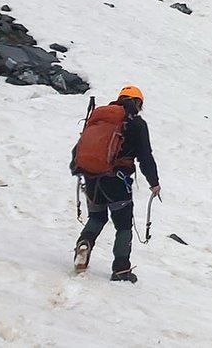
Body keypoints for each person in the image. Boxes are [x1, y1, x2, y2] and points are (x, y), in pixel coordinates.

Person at [72, 85, 161, 282]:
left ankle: (84, 243)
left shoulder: (100, 117)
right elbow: (145, 156)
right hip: (117, 180)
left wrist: (77, 169)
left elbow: (78, 147)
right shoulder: (136, 124)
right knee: (123, 224)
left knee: (97, 217)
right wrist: (154, 182)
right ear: (138, 103)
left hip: (92, 177)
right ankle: (121, 269)